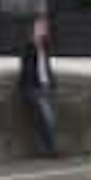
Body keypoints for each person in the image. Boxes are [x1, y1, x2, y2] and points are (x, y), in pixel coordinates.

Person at [18, 14, 58, 157]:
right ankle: (52, 151)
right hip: (32, 88)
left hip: (44, 86)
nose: (43, 31)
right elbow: (27, 69)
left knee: (45, 119)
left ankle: (45, 150)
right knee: (47, 117)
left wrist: (52, 82)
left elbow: (46, 66)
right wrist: (36, 86)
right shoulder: (28, 46)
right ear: (34, 30)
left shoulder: (45, 47)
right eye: (40, 28)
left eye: (45, 28)